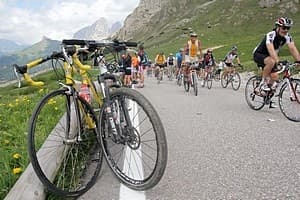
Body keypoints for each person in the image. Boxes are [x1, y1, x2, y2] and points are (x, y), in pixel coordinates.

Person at [253, 17, 300, 91]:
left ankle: (267, 95)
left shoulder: (287, 36)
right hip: (259, 54)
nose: (286, 30)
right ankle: (263, 83)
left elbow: (292, 48)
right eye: (284, 28)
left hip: (271, 56)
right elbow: (270, 48)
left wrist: (298, 61)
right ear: (278, 27)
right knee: (271, 61)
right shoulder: (271, 35)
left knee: (275, 77)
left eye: (288, 28)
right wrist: (278, 61)